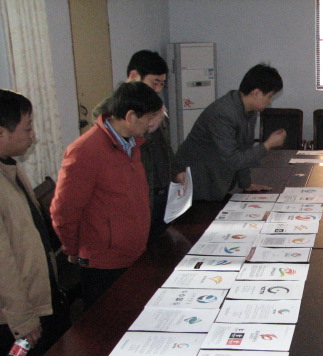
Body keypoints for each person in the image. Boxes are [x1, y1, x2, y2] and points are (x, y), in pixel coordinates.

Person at [51, 81, 164, 310]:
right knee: (107, 323)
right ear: (130, 116)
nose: (152, 124)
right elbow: (64, 210)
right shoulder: (85, 150)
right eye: (149, 117)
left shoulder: (132, 144)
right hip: (103, 263)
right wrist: (72, 249)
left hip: (133, 254)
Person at [0, 90, 69, 356]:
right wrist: (23, 320)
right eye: (27, 128)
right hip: (17, 318)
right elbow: (3, 265)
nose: (33, 135)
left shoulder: (10, 167)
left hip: (40, 300)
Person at [94, 50, 175, 241]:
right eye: (155, 82)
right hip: (139, 194)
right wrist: (148, 129)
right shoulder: (108, 110)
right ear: (134, 76)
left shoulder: (153, 105)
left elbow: (164, 144)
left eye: (162, 84)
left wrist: (175, 171)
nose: (158, 89)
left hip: (161, 187)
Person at [174, 63, 287, 201]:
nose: (269, 102)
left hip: (216, 179)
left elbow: (244, 148)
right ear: (256, 93)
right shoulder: (223, 114)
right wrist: (267, 145)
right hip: (196, 181)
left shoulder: (249, 110)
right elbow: (233, 160)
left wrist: (246, 184)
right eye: (269, 96)